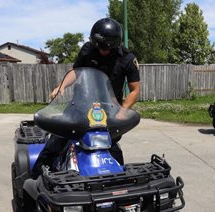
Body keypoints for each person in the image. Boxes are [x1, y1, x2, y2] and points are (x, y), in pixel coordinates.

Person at [31, 17, 140, 179]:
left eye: (106, 48)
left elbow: (135, 90)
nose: (101, 50)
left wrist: (123, 112)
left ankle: (119, 183)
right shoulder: (88, 49)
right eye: (98, 46)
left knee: (113, 150)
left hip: (109, 112)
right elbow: (75, 72)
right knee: (56, 141)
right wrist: (61, 87)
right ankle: (35, 181)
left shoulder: (127, 59)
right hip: (80, 105)